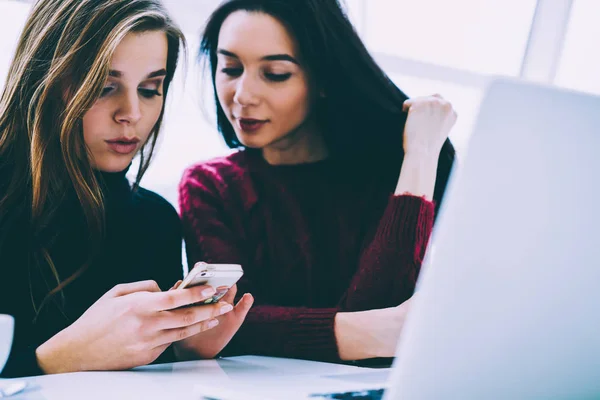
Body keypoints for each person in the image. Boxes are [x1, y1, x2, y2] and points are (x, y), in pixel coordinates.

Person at [178, 0, 456, 363]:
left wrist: (420, 154)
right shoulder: (210, 185)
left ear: (324, 78)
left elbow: (383, 312)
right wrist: (361, 331)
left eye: (275, 73)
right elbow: (225, 325)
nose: (242, 95)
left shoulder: (390, 172)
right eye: (230, 68)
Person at [0, 0, 250, 378]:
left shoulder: (155, 221)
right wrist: (54, 361)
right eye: (104, 86)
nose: (131, 112)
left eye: (151, 88)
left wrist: (183, 348)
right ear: (44, 82)